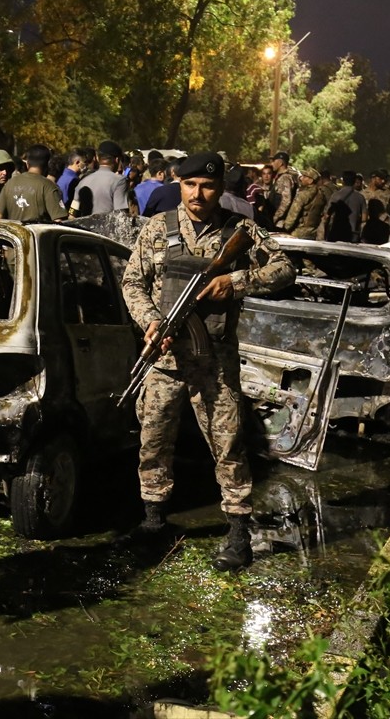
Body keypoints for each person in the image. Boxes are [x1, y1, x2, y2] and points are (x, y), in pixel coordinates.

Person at [121, 151, 294, 572]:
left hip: (215, 364)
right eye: (190, 185)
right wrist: (150, 321)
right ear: (179, 184)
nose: (197, 194)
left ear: (220, 189)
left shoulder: (241, 230)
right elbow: (132, 282)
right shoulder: (157, 228)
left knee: (228, 446)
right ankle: (154, 521)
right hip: (165, 360)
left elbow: (285, 269)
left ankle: (238, 532)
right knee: (153, 441)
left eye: (207, 186)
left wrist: (234, 281)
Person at [0, 144, 67, 224]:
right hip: (38, 231)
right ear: (48, 164)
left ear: (27, 163)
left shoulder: (9, 184)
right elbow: (59, 221)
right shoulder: (49, 186)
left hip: (14, 231)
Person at [69, 140, 128, 216]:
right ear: (117, 160)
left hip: (84, 223)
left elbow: (72, 214)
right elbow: (121, 215)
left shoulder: (82, 182)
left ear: (97, 158)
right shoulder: (119, 181)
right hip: (107, 224)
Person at [281, 166, 325, 239]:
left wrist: (284, 229)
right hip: (313, 233)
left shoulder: (303, 195)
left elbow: (292, 215)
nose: (302, 178)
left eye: (305, 176)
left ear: (310, 180)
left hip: (299, 232)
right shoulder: (321, 195)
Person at [323, 170, 365, 242]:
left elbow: (327, 215)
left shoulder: (335, 195)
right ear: (354, 181)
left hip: (336, 233)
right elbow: (364, 218)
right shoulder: (360, 197)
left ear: (343, 181)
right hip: (352, 235)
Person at [268, 151, 297, 229]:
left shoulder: (285, 178)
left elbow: (286, 201)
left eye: (274, 161)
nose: (272, 164)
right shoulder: (280, 177)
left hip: (279, 223)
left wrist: (275, 218)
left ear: (281, 163)